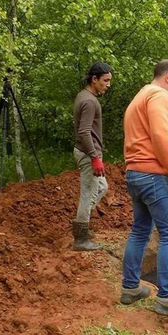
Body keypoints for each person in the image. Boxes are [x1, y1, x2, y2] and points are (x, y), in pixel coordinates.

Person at [119, 60, 168, 320]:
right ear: (167, 78)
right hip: (154, 176)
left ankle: (131, 288)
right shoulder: (160, 97)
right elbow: (161, 136)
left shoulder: (140, 97)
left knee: (141, 231)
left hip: (135, 174)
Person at [72, 62, 112, 251]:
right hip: (89, 154)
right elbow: (84, 131)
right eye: (105, 80)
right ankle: (81, 239)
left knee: (102, 187)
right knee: (88, 194)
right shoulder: (89, 101)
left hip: (89, 152)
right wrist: (95, 157)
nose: (108, 84)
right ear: (94, 79)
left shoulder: (85, 96)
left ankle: (82, 222)